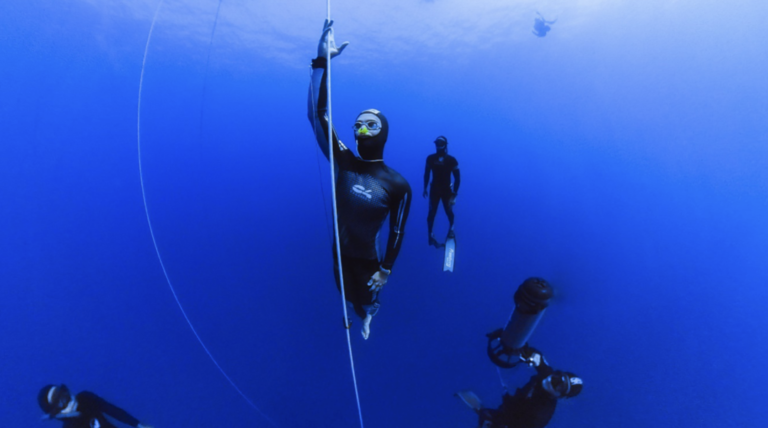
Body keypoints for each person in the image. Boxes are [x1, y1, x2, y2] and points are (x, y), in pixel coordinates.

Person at [307, 20, 412, 340]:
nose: (361, 130)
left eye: (369, 125)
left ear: (383, 132)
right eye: (357, 125)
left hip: (369, 261)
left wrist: (386, 268)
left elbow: (397, 229)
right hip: (339, 252)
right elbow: (317, 115)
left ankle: (370, 315)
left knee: (366, 300)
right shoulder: (343, 159)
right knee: (347, 295)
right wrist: (320, 62)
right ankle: (360, 311)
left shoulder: (397, 184)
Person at [456, 346, 582, 428]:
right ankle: (484, 413)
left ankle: (484, 414)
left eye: (560, 386)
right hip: (510, 406)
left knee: (488, 419)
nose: (553, 380)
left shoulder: (540, 414)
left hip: (510, 421)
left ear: (560, 396)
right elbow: (538, 358)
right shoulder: (546, 374)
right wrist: (515, 344)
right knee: (487, 415)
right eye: (558, 375)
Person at [37, 384, 153, 428]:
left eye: (63, 392)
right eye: (60, 401)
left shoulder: (85, 398)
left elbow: (112, 410)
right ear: (55, 411)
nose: (67, 398)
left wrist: (138, 424)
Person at [423, 136, 460, 247]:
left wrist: (454, 193)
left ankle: (451, 229)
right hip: (434, 189)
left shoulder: (451, 160)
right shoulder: (430, 159)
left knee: (448, 212)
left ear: (445, 145)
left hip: (446, 191)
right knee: (431, 214)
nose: (439, 145)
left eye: (441, 143)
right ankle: (430, 234)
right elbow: (426, 174)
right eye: (437, 143)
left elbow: (457, 178)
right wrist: (424, 188)